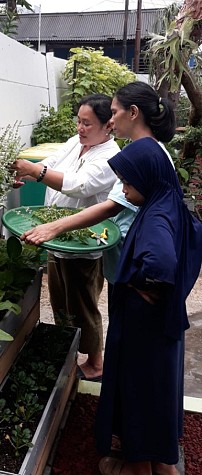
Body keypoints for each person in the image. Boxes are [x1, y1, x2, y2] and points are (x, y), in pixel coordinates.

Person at [96, 137, 202, 475]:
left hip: (144, 327)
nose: (124, 190)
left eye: (128, 182)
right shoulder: (170, 200)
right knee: (158, 392)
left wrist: (138, 283)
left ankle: (138, 468)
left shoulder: (155, 217)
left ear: (147, 178)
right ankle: (163, 465)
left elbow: (160, 262)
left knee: (138, 392)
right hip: (161, 326)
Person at [21, 82, 176, 304]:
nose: (112, 121)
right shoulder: (142, 149)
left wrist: (54, 226)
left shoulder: (143, 154)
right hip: (127, 262)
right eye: (79, 121)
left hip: (137, 266)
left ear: (133, 112)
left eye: (113, 113)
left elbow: (109, 204)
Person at [10, 94, 120, 380]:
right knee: (60, 301)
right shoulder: (77, 143)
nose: (80, 128)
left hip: (83, 243)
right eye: (79, 121)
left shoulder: (110, 157)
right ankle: (69, 349)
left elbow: (79, 185)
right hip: (55, 235)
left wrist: (37, 170)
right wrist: (29, 174)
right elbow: (52, 162)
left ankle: (96, 362)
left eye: (87, 123)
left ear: (108, 125)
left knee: (83, 305)